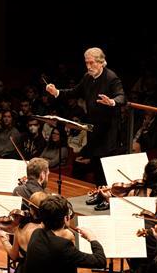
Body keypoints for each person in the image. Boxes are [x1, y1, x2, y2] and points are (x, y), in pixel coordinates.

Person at [46, 47, 125, 185]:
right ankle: (98, 193)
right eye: (86, 63)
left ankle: (106, 197)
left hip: (108, 130)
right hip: (93, 128)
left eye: (91, 63)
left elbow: (122, 97)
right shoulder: (87, 77)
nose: (88, 66)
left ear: (101, 62)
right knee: (96, 165)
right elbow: (74, 92)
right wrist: (56, 92)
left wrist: (112, 101)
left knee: (105, 166)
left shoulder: (111, 77)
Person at [23, 195, 106, 273]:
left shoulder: (36, 234)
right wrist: (92, 238)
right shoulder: (63, 246)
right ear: (66, 218)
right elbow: (100, 261)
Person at [0, 192, 50, 273]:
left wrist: (3, 237)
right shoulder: (53, 229)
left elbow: (13, 255)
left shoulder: (21, 229)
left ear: (31, 208)